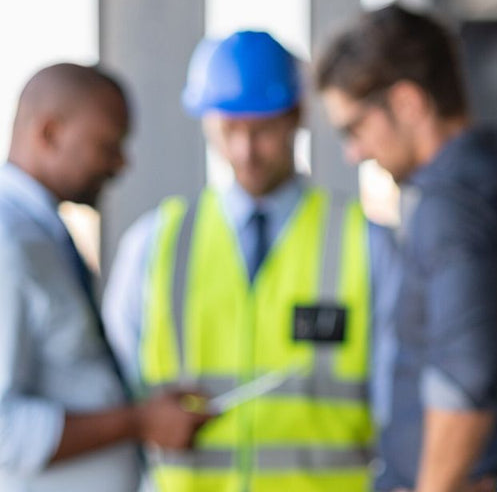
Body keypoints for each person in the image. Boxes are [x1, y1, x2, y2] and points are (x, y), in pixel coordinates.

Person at [103, 31, 384, 491]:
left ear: (297, 117)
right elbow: (118, 398)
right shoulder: (155, 243)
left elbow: (400, 406)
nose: (244, 151)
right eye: (228, 130)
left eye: (263, 130)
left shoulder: (364, 242)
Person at [315, 5, 497, 492]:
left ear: (408, 102)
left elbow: (465, 377)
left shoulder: (449, 207)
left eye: (354, 127)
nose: (354, 152)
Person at [0, 63, 211, 492]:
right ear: (50, 133)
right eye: (108, 145)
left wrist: (142, 409)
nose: (120, 164)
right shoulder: (8, 242)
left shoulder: (40, 235)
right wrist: (137, 422)